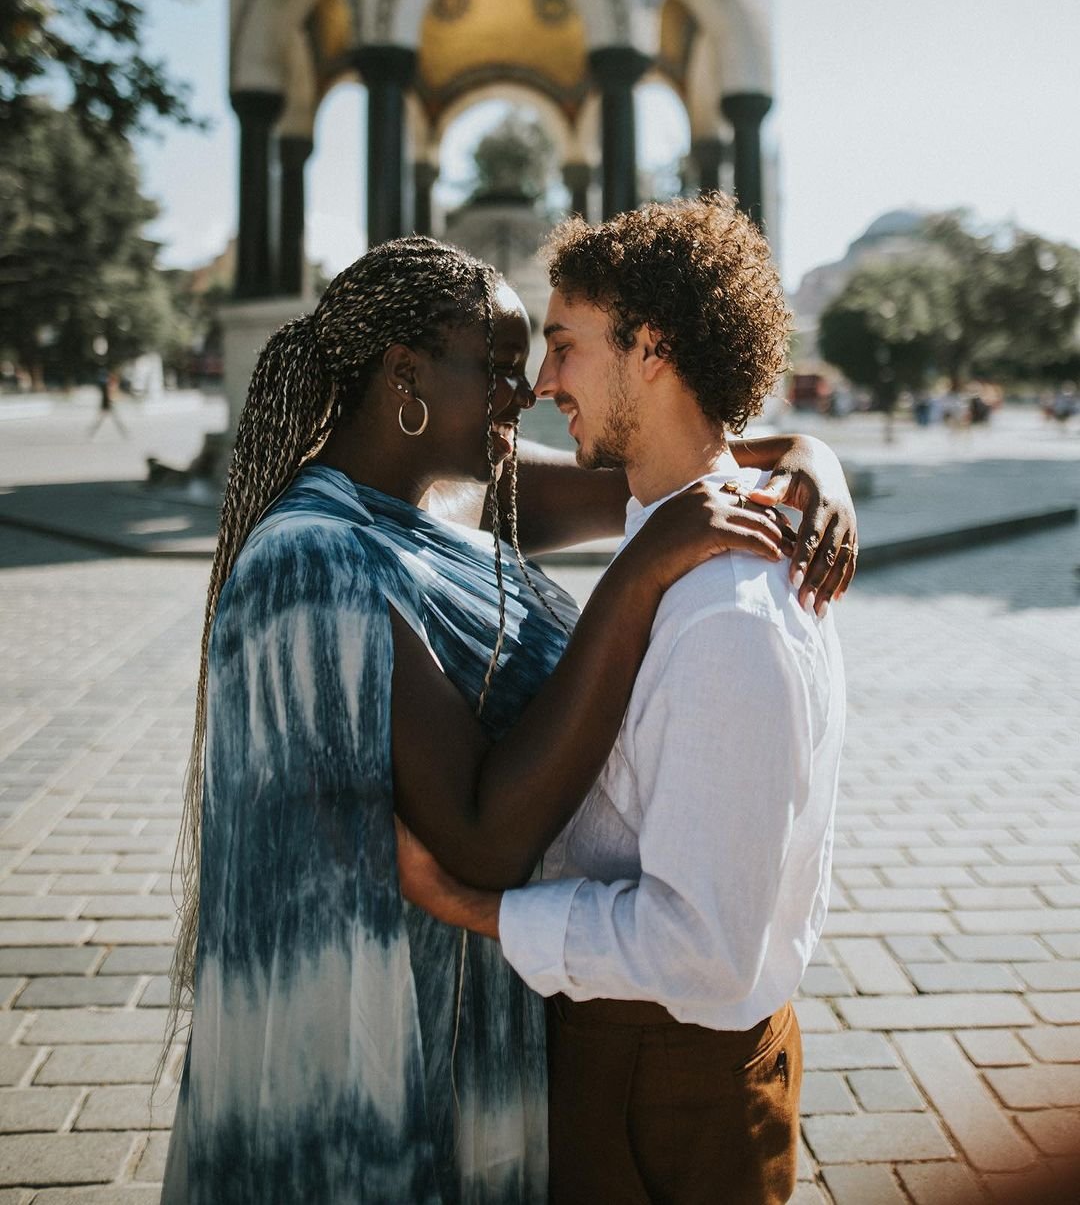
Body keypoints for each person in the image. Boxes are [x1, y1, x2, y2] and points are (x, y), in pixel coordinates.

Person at [161, 234, 855, 1204]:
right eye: (493, 364)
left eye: (538, 354)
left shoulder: (450, 502)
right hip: (377, 1048)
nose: (524, 389)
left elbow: (659, 469)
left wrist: (816, 458)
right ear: (406, 374)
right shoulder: (314, 561)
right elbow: (480, 839)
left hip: (484, 1017)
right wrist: (635, 585)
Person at [397, 196, 851, 1205]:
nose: (543, 380)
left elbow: (703, 950)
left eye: (564, 345)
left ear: (652, 348)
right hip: (641, 1054)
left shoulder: (730, 615)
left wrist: (472, 906)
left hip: (666, 1075)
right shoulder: (678, 536)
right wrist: (805, 451)